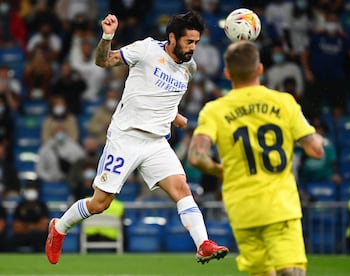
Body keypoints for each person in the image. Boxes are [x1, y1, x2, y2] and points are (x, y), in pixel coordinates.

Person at [45, 11, 229, 265]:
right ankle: (59, 228)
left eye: (196, 43)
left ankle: (203, 244)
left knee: (182, 189)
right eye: (189, 42)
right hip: (126, 137)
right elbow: (104, 61)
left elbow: (161, 95)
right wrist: (108, 36)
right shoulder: (146, 49)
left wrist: (175, 116)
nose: (193, 48)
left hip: (156, 142)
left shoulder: (189, 67)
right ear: (172, 37)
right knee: (100, 204)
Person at [188, 41, 324, 276]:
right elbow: (315, 150)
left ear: (228, 73)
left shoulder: (215, 110)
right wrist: (315, 138)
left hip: (242, 208)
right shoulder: (284, 102)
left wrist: (220, 170)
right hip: (280, 206)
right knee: (291, 271)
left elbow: (196, 156)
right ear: (260, 69)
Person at [9, 180, 50, 252]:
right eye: (29, 188)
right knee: (8, 242)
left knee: (36, 236)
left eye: (32, 188)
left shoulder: (42, 206)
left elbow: (43, 227)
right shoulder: (20, 206)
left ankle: (39, 258)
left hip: (38, 236)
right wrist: (34, 226)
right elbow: (16, 228)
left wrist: (25, 226)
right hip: (23, 236)